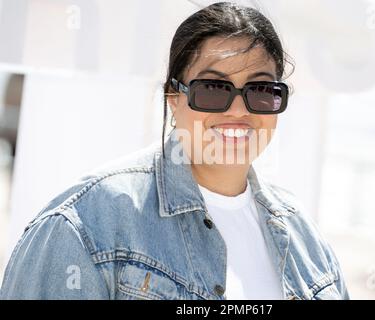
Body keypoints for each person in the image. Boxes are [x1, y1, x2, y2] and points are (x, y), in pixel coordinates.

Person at [0, 2, 349, 300]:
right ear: (173, 98)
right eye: (213, 88)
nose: (238, 110)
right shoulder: (86, 224)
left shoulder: (307, 242)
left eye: (259, 89)